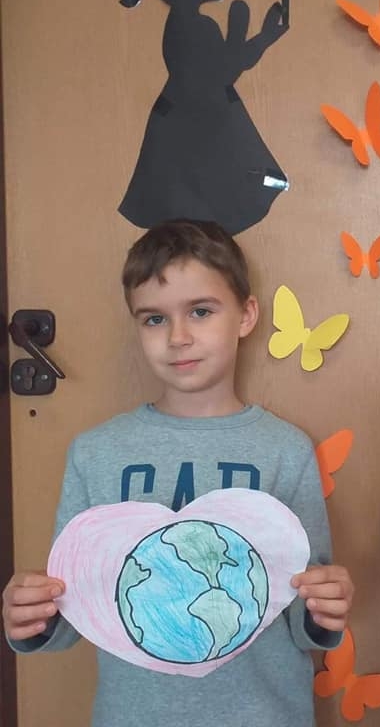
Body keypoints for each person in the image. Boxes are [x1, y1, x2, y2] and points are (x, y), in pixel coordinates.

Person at [3, 219, 353, 727]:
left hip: (263, 715)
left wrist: (325, 609)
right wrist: (32, 617)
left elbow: (304, 616)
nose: (178, 337)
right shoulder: (95, 454)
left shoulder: (286, 451)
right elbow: (75, 607)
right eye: (154, 319)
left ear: (246, 315)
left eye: (201, 311)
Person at [111, 0, 289, 235]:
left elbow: (227, 65)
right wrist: (252, 33)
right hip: (194, 123)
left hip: (196, 118)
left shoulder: (189, 24)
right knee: (205, 190)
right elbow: (225, 70)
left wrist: (263, 35)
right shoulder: (192, 26)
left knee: (211, 191)